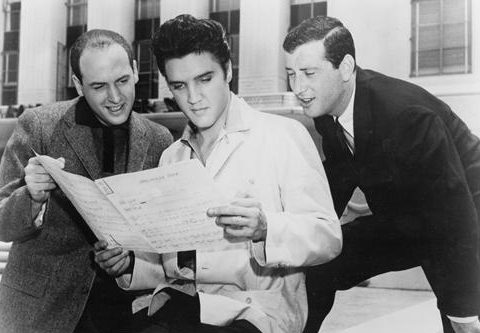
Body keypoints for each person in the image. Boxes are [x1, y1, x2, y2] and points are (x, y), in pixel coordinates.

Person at [94, 14, 342, 333]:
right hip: (184, 305)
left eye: (205, 79)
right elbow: (169, 266)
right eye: (180, 86)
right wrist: (129, 263)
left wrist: (267, 228)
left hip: (255, 312)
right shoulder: (173, 157)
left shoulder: (282, 135)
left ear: (227, 71)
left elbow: (328, 237)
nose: (193, 98)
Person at [283, 15, 480, 333]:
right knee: (320, 259)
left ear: (345, 68)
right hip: (409, 218)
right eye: (291, 74)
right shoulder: (328, 109)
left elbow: (452, 216)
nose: (298, 88)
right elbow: (339, 175)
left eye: (308, 74)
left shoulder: (405, 116)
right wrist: (302, 233)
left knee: (463, 320)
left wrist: (464, 310)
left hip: (467, 212)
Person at [0, 29, 173, 333]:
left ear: (134, 71)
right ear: (79, 85)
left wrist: (131, 261)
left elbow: (161, 236)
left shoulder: (159, 140)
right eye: (98, 86)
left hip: (123, 313)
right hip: (40, 312)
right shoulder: (38, 126)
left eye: (122, 81)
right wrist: (32, 197)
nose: (116, 98)